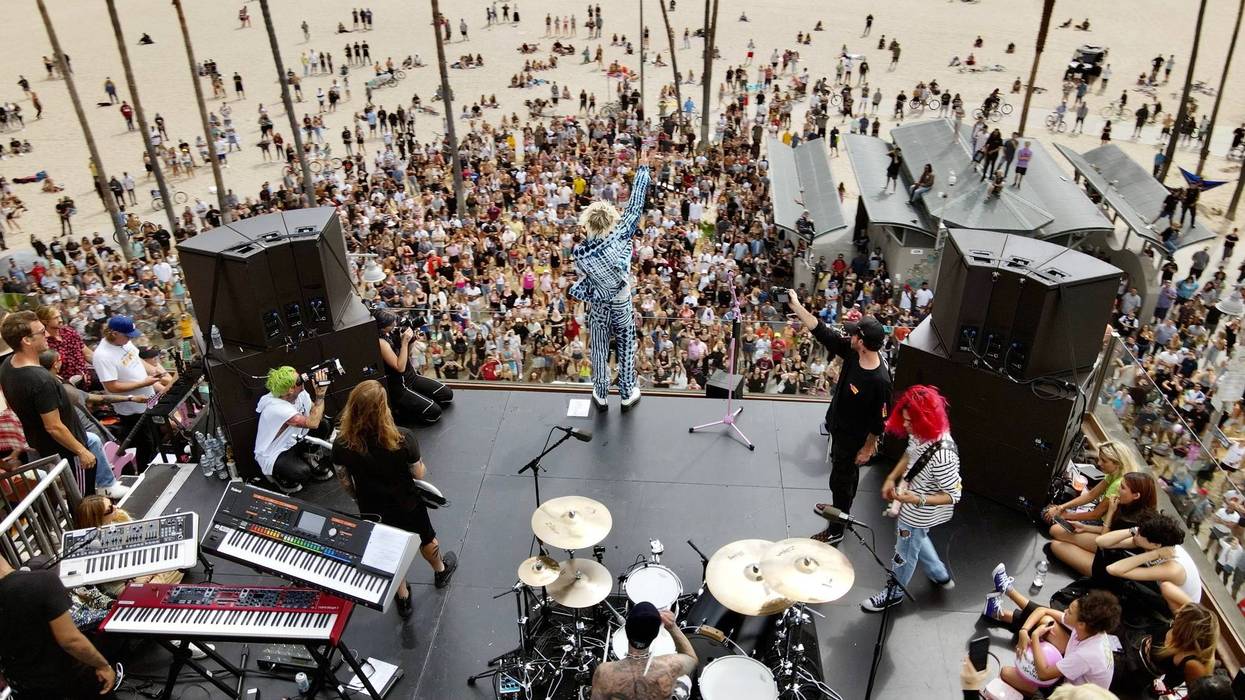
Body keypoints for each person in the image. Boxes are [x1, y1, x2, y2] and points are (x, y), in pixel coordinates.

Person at [331, 380, 457, 618]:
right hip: (407, 504)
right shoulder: (402, 438)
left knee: (389, 550)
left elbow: (345, 481)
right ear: (383, 409)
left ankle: (403, 598)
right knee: (425, 538)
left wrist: (359, 498)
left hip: (371, 507)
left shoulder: (341, 444)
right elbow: (418, 473)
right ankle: (440, 571)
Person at [785, 289, 892, 544]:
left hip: (853, 439)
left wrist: (868, 448)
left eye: (854, 332)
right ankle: (837, 507)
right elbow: (824, 333)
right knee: (839, 480)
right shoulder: (855, 352)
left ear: (862, 342)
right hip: (839, 427)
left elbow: (881, 421)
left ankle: (836, 530)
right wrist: (797, 306)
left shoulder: (880, 381)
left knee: (842, 483)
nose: (849, 334)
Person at [858, 385, 960, 612]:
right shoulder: (922, 432)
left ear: (925, 419)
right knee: (916, 538)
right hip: (910, 508)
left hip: (917, 513)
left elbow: (953, 495)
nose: (905, 426)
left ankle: (895, 592)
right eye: (904, 419)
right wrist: (891, 478)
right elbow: (911, 453)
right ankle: (939, 573)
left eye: (909, 421)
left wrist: (918, 500)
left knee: (903, 553)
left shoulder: (944, 455)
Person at [569, 153, 653, 411]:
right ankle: (627, 392)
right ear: (611, 221)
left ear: (587, 224)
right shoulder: (620, 235)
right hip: (622, 302)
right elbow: (636, 204)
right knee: (627, 343)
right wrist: (642, 170)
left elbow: (585, 272)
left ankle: (601, 391)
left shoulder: (580, 254)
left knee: (599, 343)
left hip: (599, 302)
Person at [0, 311, 100, 495]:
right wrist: (81, 451)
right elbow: (53, 426)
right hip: (66, 451)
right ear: (27, 340)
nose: (46, 334)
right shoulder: (41, 380)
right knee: (84, 498)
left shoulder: (8, 365)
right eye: (41, 331)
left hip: (44, 446)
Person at [0, 555, 119, 699]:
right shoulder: (42, 581)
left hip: (25, 688)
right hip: (70, 683)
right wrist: (103, 665)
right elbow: (71, 641)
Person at [981, 583, 1122, 695]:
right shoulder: (1092, 628)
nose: (1065, 611)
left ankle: (1037, 695)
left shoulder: (1087, 655)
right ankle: (997, 612)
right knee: (1047, 621)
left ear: (1081, 624)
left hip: (1069, 693)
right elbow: (1043, 610)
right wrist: (1024, 631)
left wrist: (1035, 636)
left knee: (1006, 673)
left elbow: (1044, 674)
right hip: (1072, 668)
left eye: (1070, 612)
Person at [93, 315, 168, 471]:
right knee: (144, 444)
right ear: (114, 333)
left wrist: (152, 371)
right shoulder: (102, 355)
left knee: (155, 438)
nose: (129, 339)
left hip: (148, 399)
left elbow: (136, 359)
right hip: (132, 408)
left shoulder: (126, 344)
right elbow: (112, 386)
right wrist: (143, 382)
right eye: (126, 336)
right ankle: (145, 473)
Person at [1049, 471, 1158, 576]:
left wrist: (1110, 512)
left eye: (1123, 488)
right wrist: (1085, 527)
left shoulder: (1135, 521)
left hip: (1111, 561)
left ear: (1136, 495)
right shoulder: (1127, 505)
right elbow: (1113, 531)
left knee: (1056, 545)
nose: (1118, 489)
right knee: (1055, 530)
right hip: (1111, 547)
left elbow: (1105, 543)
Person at [589, 602, 697, 700]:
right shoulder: (670, 667)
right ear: (655, 635)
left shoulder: (604, 673)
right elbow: (692, 659)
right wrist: (673, 627)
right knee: (685, 682)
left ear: (626, 630)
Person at [253, 365, 335, 493]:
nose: (302, 380)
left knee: (324, 424)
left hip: (295, 439)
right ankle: (277, 476)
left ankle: (308, 455)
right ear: (289, 390)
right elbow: (312, 423)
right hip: (277, 452)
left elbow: (315, 414)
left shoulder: (299, 394)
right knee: (302, 473)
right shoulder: (276, 408)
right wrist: (320, 396)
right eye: (298, 381)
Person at [374, 310, 454, 424]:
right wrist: (404, 342)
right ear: (382, 327)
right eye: (391, 324)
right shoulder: (381, 342)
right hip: (400, 386)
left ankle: (417, 399)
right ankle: (403, 411)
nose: (394, 325)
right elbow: (399, 367)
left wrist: (412, 340)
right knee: (435, 413)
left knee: (447, 395)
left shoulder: (391, 333)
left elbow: (408, 354)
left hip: (412, 376)